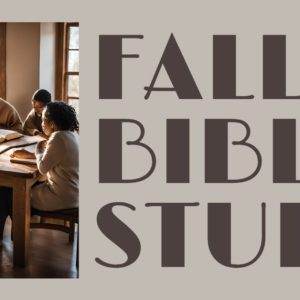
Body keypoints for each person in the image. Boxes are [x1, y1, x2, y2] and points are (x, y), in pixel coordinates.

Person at [12, 101, 79, 211]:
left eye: (43, 120)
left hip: (61, 197)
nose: (42, 124)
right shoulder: (72, 135)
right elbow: (54, 158)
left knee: (16, 193)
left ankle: (20, 225)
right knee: (32, 186)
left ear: (52, 124)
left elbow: (42, 168)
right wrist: (31, 155)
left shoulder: (57, 137)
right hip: (74, 194)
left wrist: (38, 149)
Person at [0, 98, 22, 242]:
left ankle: (18, 230)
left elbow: (19, 131)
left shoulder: (7, 109)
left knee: (5, 189)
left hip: (7, 150)